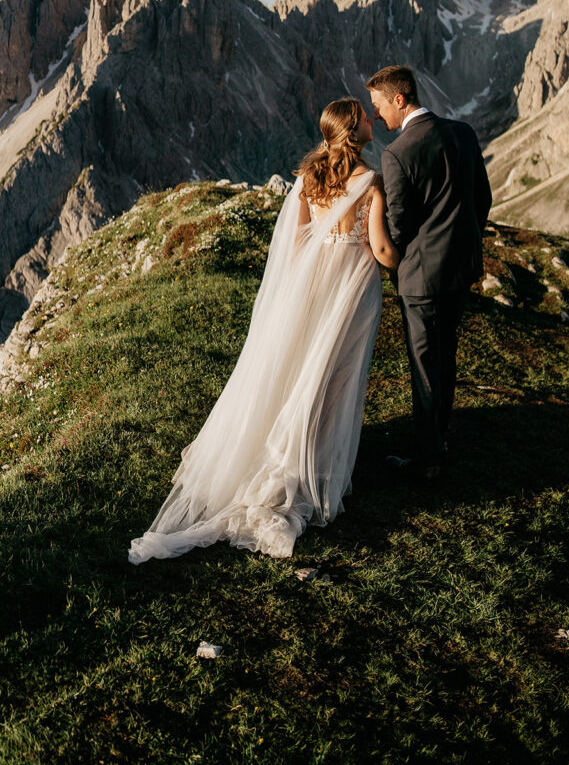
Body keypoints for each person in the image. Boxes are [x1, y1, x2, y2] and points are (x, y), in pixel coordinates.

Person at [128, 97, 398, 563]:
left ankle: (291, 454)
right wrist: (412, 259)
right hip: (350, 291)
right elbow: (381, 249)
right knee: (334, 379)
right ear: (355, 130)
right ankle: (313, 467)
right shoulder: (370, 183)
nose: (373, 120)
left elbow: (295, 243)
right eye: (365, 116)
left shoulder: (308, 179)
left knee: (302, 373)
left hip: (311, 287)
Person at [366, 65, 492, 479]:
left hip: (421, 277)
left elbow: (399, 226)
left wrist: (396, 261)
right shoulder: (463, 134)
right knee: (447, 353)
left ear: (399, 100)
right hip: (462, 268)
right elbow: (482, 199)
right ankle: (440, 434)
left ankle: (428, 456)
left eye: (380, 105)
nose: (379, 116)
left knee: (423, 362)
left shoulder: (398, 153)